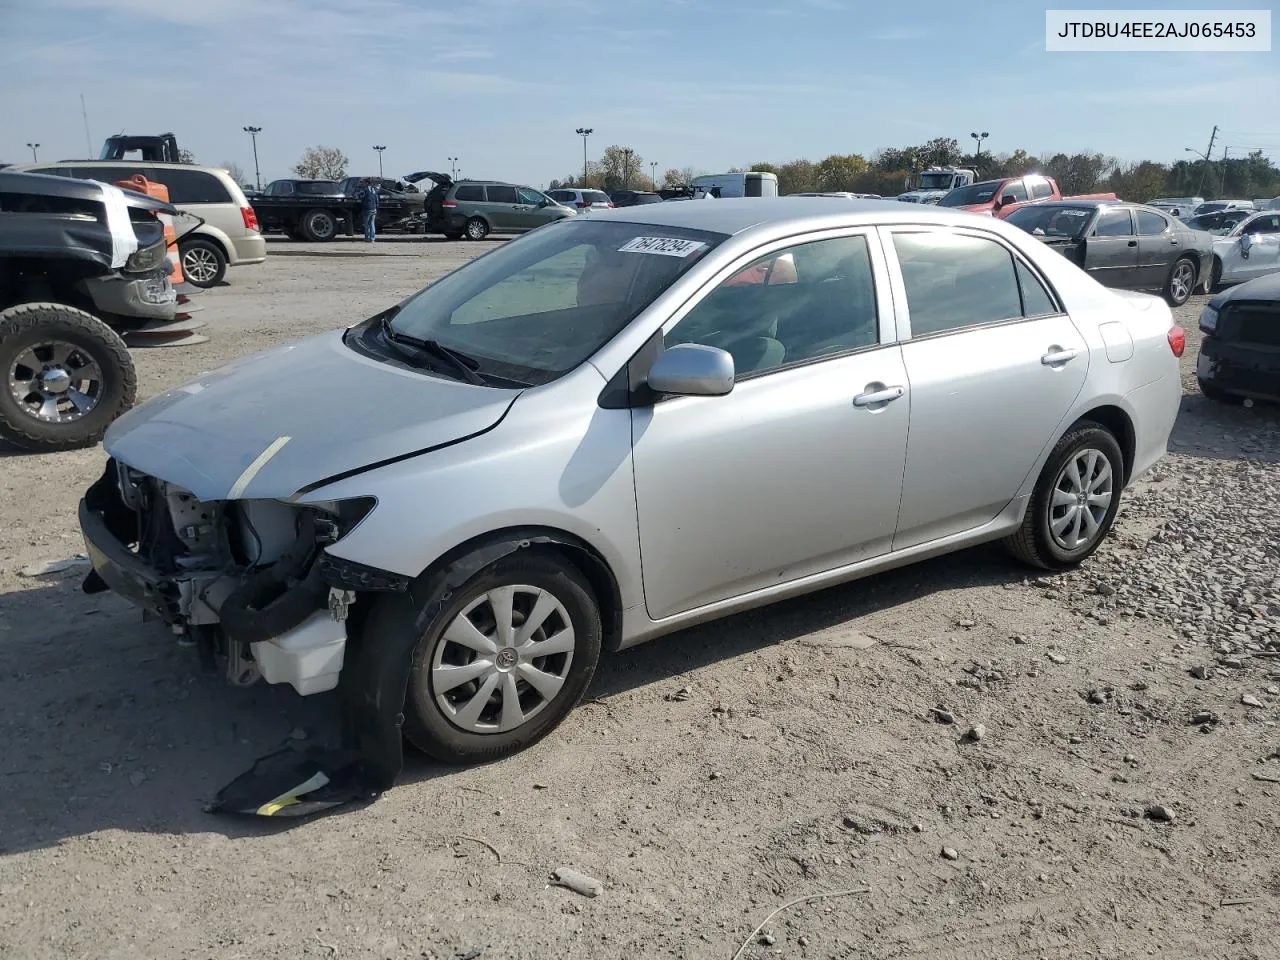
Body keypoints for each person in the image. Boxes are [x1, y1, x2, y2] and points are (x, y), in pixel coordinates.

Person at [360, 178, 379, 242]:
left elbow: (359, 196)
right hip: (374, 208)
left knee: (366, 225)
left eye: (363, 182)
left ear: (367, 183)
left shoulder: (364, 190)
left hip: (367, 209)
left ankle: (367, 238)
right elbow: (377, 199)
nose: (362, 183)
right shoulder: (373, 190)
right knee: (372, 224)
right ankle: (372, 238)